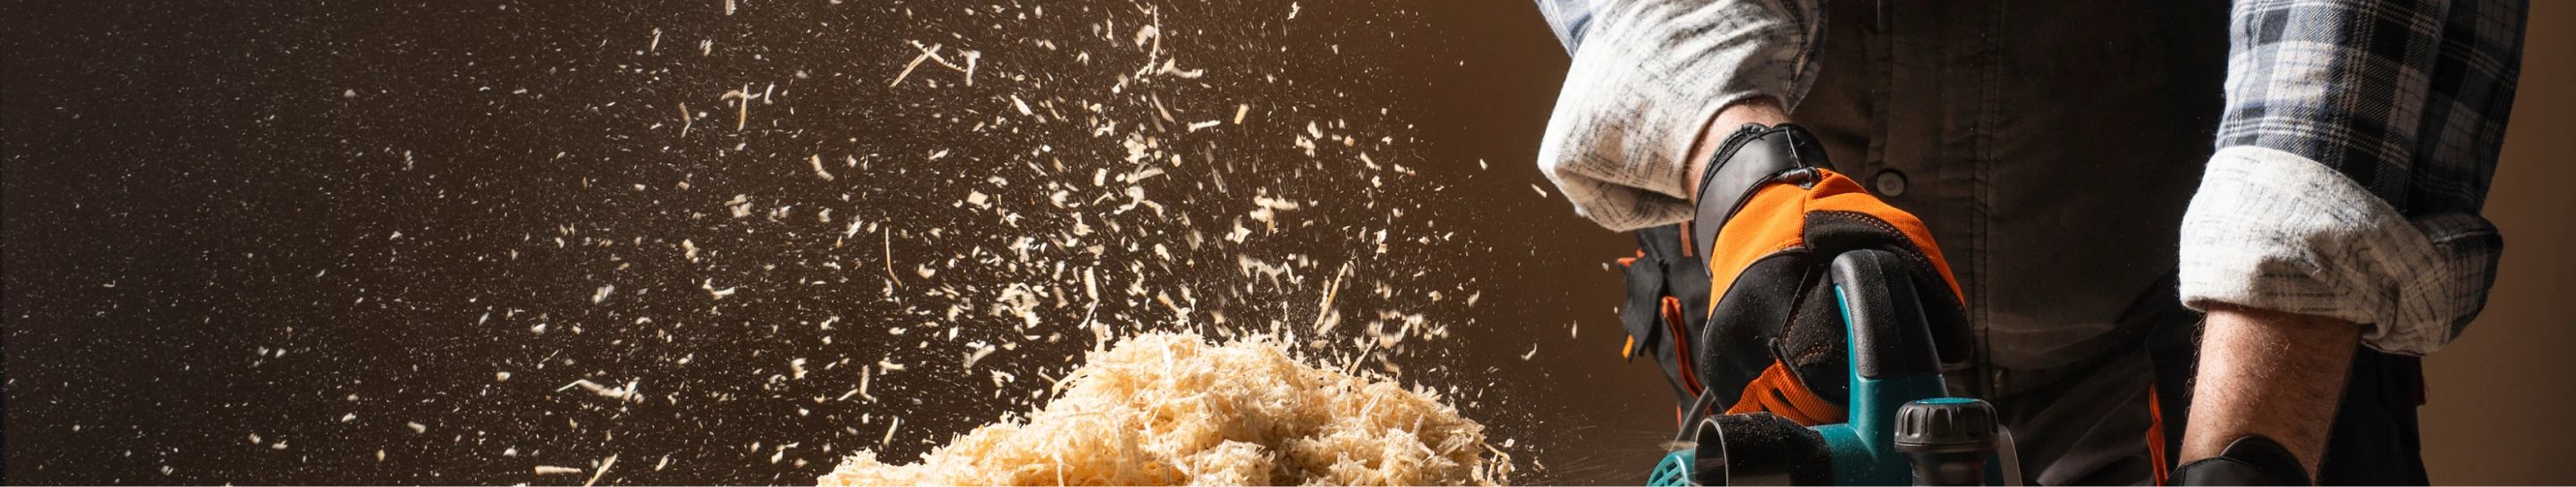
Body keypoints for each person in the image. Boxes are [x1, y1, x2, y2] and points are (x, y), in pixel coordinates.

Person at [1530, 1, 2527, 485]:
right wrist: (1744, 167)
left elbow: (2348, 32)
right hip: (1792, 327)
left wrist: (2244, 458)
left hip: (2205, 346)